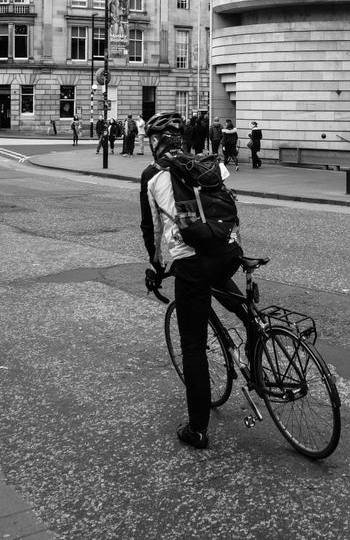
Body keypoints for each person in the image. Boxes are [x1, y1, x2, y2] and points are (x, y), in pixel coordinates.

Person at [139, 112, 246, 450]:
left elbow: (151, 230)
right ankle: (258, 352)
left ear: (155, 142)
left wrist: (156, 267)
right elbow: (228, 204)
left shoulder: (152, 175)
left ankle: (197, 429)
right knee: (238, 301)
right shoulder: (206, 163)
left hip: (190, 262)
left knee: (193, 346)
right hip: (226, 250)